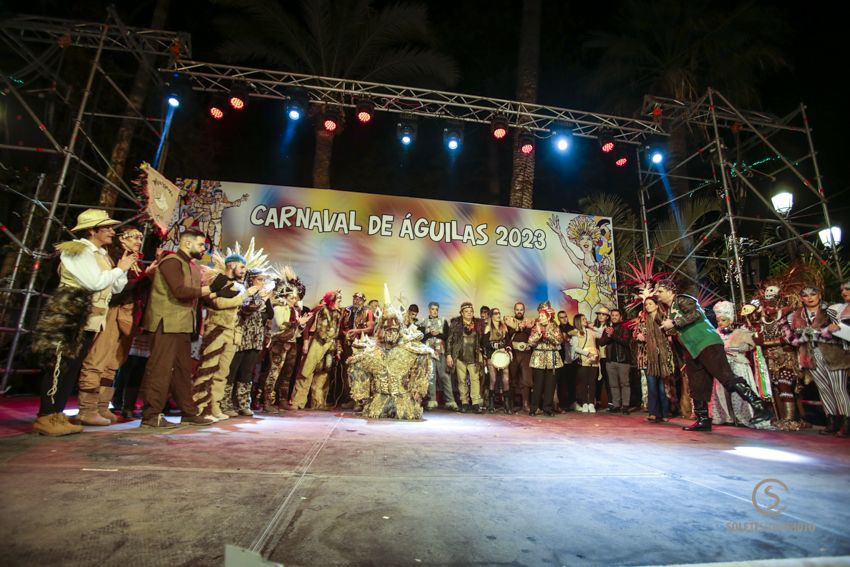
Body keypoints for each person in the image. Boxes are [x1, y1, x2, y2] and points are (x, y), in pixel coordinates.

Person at [31, 209, 136, 435]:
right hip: (70, 314)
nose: (111, 231)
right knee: (59, 365)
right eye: (106, 228)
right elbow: (94, 282)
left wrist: (123, 266)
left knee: (72, 367)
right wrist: (120, 268)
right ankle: (45, 416)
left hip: (90, 318)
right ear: (91, 230)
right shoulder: (77, 251)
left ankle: (57, 414)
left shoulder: (102, 253)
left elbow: (115, 287)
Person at [138, 229, 228, 428]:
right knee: (160, 369)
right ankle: (151, 415)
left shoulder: (193, 267)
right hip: (166, 323)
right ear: (187, 244)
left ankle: (188, 412)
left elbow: (197, 295)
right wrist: (211, 289)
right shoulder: (171, 262)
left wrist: (218, 294)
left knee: (182, 370)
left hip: (184, 325)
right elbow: (179, 291)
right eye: (200, 245)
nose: (203, 248)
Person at [656, 279, 770, 432]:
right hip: (692, 350)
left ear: (670, 291)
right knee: (697, 385)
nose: (657, 294)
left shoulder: (682, 300)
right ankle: (703, 420)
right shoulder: (669, 311)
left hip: (707, 343)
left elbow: (695, 313)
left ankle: (759, 406)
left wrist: (675, 323)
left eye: (660, 291)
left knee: (726, 377)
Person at [75, 225, 154, 426]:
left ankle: (102, 405)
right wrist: (145, 277)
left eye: (139, 237)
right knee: (98, 358)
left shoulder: (134, 260)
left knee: (114, 362)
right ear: (121, 239)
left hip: (128, 315)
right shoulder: (113, 257)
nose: (138, 241)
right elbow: (115, 289)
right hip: (112, 311)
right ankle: (87, 408)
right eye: (133, 237)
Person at [347, 298, 433, 420]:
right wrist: (362, 393)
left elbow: (424, 358)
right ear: (381, 330)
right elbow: (358, 364)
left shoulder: (410, 349)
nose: (390, 331)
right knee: (357, 359)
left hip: (403, 399)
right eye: (387, 329)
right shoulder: (372, 351)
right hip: (379, 400)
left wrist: (418, 389)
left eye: (394, 329)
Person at [192, 250, 250, 420]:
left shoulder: (239, 285)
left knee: (222, 372)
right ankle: (199, 406)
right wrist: (246, 295)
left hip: (233, 332)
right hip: (217, 328)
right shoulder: (217, 280)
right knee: (208, 367)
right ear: (231, 265)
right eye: (241, 266)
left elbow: (236, 306)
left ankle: (213, 406)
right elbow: (219, 302)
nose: (244, 270)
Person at [788, 284, 850, 437]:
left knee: (838, 388)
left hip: (833, 353)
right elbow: (791, 338)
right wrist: (801, 336)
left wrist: (816, 332)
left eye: (813, 294)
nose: (809, 298)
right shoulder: (796, 315)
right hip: (810, 355)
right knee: (823, 388)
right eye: (806, 295)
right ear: (801, 298)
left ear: (819, 296)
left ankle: (846, 421)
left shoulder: (831, 310)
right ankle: (831, 420)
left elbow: (840, 330)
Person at [291, 290, 343, 410]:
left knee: (323, 372)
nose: (340, 302)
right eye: (338, 299)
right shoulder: (319, 309)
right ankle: (297, 402)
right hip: (316, 342)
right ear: (332, 299)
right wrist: (305, 342)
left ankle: (318, 402)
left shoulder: (338, 313)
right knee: (306, 371)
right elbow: (307, 326)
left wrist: (337, 348)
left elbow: (337, 332)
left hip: (330, 344)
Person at [711, 301, 758, 427]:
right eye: (718, 320)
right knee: (722, 391)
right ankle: (727, 417)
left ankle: (742, 417)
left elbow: (748, 346)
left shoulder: (739, 332)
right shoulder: (715, 333)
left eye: (723, 320)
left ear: (730, 320)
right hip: (722, 365)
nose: (720, 323)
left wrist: (732, 349)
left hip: (738, 364)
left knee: (738, 392)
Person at [633, 297, 675, 423]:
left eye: (650, 304)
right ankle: (653, 412)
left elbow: (672, 331)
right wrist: (638, 336)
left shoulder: (663, 318)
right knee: (652, 386)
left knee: (662, 387)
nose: (648, 306)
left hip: (661, 356)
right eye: (646, 305)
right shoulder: (643, 320)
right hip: (648, 358)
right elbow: (635, 334)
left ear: (657, 305)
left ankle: (664, 413)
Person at [447, 301, 484, 413]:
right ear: (462, 313)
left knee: (475, 379)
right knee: (461, 380)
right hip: (460, 356)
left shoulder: (478, 324)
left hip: (474, 356)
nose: (469, 313)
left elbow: (482, 340)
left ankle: (476, 403)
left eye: (471, 311)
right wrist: (449, 354)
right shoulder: (456, 324)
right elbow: (449, 340)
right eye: (466, 311)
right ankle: (464, 402)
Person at [528, 302, 563, 416]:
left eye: (543, 316)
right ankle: (533, 408)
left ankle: (547, 408)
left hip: (552, 358)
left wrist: (548, 335)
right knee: (537, 384)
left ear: (548, 317)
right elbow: (530, 342)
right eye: (540, 315)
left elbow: (559, 341)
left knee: (550, 385)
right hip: (538, 359)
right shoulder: (535, 327)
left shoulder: (554, 327)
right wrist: (538, 334)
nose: (540, 317)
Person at [419, 302, 455, 410]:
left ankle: (450, 401)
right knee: (431, 376)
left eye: (436, 309)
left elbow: (447, 337)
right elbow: (421, 338)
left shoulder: (443, 321)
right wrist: (430, 334)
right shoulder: (424, 322)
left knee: (444, 376)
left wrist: (438, 334)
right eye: (432, 309)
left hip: (441, 352)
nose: (434, 311)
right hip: (429, 352)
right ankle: (432, 400)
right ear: (429, 310)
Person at [597, 308, 632, 414]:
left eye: (616, 315)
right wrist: (608, 335)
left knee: (624, 384)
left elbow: (626, 342)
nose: (614, 317)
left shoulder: (625, 328)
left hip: (623, 360)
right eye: (612, 315)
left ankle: (625, 405)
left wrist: (613, 335)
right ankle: (616, 405)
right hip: (610, 361)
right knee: (613, 384)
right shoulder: (607, 329)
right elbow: (601, 343)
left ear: (621, 317)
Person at [505, 302, 535, 413]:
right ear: (514, 310)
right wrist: (518, 327)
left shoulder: (529, 322)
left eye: (521, 309)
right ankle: (511, 405)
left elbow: (532, 334)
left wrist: (524, 327)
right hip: (514, 353)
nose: (519, 311)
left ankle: (525, 404)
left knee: (526, 380)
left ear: (524, 311)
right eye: (517, 309)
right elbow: (507, 335)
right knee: (512, 379)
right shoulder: (509, 322)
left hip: (526, 354)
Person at [481, 307, 511, 413]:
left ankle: (507, 404)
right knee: (493, 380)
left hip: (503, 355)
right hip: (492, 356)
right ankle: (491, 404)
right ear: (491, 315)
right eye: (496, 313)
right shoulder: (488, 327)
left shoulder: (504, 327)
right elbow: (484, 343)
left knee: (506, 379)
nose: (498, 315)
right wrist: (496, 345)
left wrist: (507, 349)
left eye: (499, 313)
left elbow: (508, 342)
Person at [570, 313, 599, 412]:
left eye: (585, 318)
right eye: (583, 319)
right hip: (583, 359)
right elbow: (575, 348)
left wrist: (593, 327)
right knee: (583, 382)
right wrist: (587, 353)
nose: (586, 320)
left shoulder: (590, 331)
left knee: (592, 382)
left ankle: (591, 403)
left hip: (594, 359)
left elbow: (600, 334)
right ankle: (584, 403)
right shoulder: (575, 333)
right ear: (578, 321)